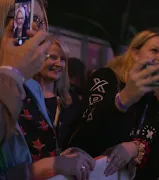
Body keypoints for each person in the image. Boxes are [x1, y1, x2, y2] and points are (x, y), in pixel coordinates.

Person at [69, 28, 159, 179]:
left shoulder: (157, 104)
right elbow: (86, 135)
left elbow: (157, 164)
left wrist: (135, 149)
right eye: (154, 50)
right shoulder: (106, 78)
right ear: (135, 54)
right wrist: (125, 98)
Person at [0, 0, 95, 179]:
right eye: (29, 18)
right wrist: (33, 171)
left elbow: (36, 149)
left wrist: (61, 157)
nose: (40, 31)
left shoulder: (31, 86)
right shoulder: (14, 78)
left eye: (43, 23)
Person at [33, 36, 83, 150]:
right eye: (53, 57)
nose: (59, 64)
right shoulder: (24, 96)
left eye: (63, 59)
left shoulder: (71, 100)